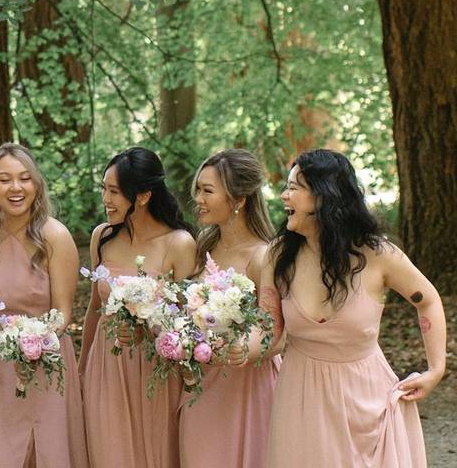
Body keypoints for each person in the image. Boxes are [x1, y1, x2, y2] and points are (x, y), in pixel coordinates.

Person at [262, 149, 445, 467]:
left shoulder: (378, 254)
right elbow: (267, 330)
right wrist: (222, 341)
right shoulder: (279, 255)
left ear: (323, 196)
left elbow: (427, 300)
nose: (283, 195)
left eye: (294, 187)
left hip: (367, 405)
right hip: (300, 401)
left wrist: (435, 369)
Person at [79, 147, 196, 468]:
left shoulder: (180, 243)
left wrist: (149, 327)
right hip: (106, 368)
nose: (105, 198)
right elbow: (94, 308)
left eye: (114, 191)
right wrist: (81, 371)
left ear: (142, 196)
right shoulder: (101, 237)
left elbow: (187, 325)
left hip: (155, 371)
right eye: (103, 188)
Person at [0, 143, 88, 468]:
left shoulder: (56, 236)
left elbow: (64, 313)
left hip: (46, 361)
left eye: (24, 178)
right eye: (5, 179)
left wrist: (36, 340)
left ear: (36, 184)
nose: (15, 188)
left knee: (48, 452)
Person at [178, 149, 279, 467]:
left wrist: (244, 348)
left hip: (247, 384)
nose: (199, 199)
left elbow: (272, 324)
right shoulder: (200, 248)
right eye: (198, 189)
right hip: (200, 383)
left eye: (208, 191)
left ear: (238, 199)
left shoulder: (263, 256)